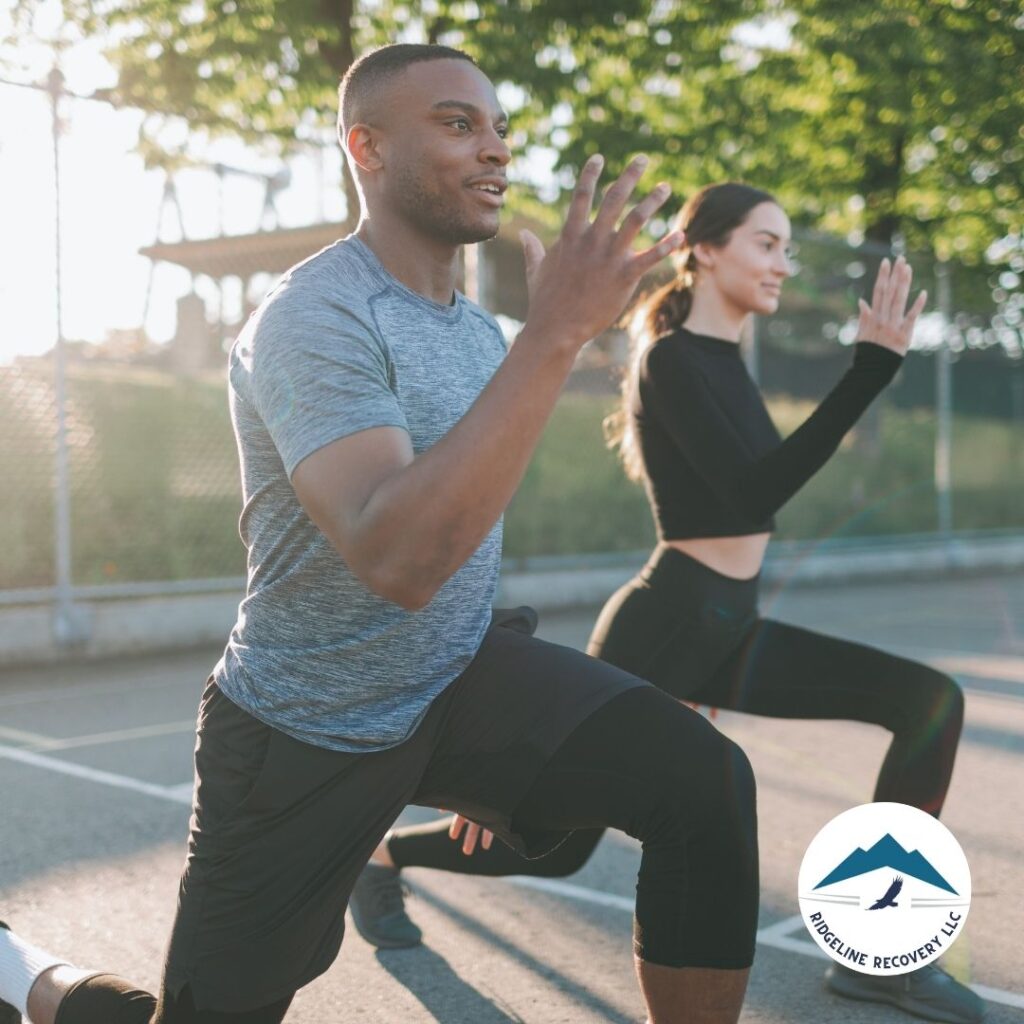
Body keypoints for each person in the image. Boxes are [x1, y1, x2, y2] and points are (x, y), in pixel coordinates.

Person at [0, 48, 761, 1024]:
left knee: (701, 779)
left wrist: (497, 744)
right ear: (366, 147)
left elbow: (469, 538)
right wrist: (554, 336)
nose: (493, 149)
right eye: (456, 124)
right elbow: (398, 558)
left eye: (496, 127)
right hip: (302, 727)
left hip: (453, 682)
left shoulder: (479, 333)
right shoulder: (312, 317)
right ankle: (32, 976)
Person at [353, 184, 985, 1024]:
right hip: (665, 625)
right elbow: (755, 491)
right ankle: (383, 858)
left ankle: (881, 954)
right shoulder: (672, 360)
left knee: (928, 701)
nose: (781, 264)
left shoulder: (725, 364)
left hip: (733, 625)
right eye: (766, 243)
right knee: (553, 849)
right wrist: (869, 370)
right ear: (707, 249)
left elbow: (757, 494)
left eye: (787, 247)